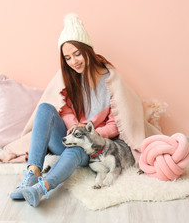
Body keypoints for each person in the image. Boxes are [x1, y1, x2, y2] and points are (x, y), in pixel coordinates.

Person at [9, 13, 160, 207]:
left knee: (77, 149)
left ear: (87, 50)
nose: (74, 62)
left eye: (77, 54)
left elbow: (117, 124)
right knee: (45, 108)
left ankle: (40, 189)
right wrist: (75, 127)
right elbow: (63, 109)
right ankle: (33, 174)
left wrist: (89, 134)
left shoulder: (110, 80)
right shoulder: (69, 76)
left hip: (91, 146)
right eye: (68, 58)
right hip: (68, 136)